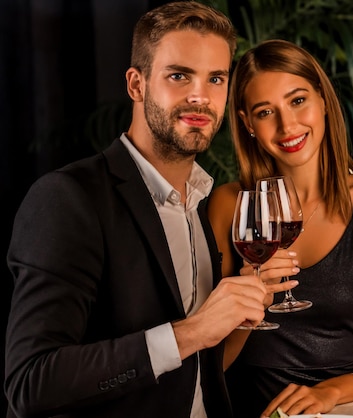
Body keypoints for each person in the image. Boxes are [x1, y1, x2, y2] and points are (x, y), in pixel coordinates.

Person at [4, 3, 296, 418]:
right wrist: (192, 331)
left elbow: (199, 372)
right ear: (136, 84)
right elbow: (31, 383)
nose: (200, 96)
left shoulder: (203, 201)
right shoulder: (68, 198)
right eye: (179, 76)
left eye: (215, 78)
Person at [207, 39, 353, 417]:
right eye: (265, 111)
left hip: (339, 410)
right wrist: (247, 306)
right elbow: (209, 364)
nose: (287, 125)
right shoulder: (229, 205)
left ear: (322, 99)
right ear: (247, 123)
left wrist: (329, 393)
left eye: (298, 100)